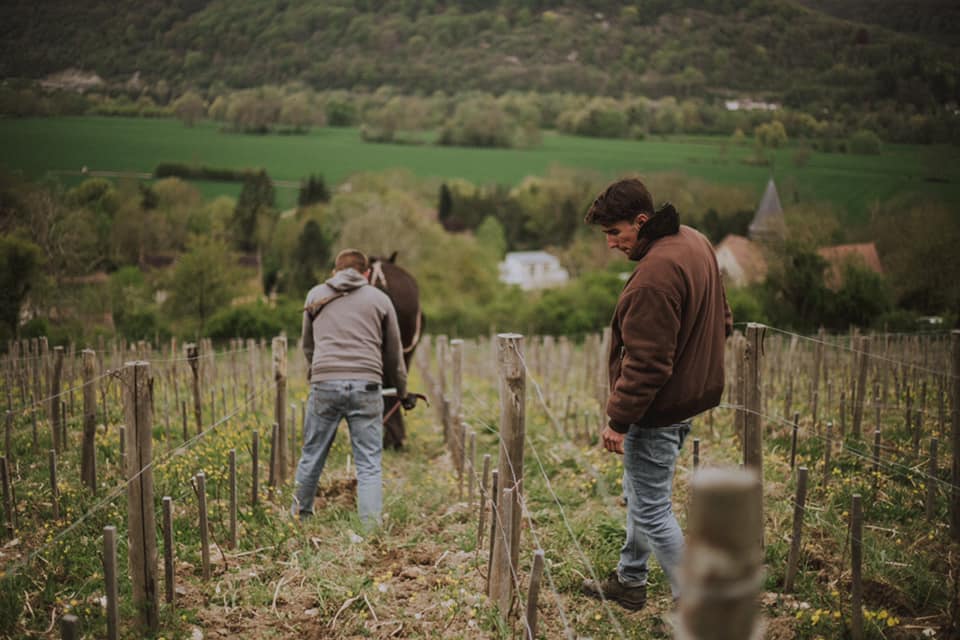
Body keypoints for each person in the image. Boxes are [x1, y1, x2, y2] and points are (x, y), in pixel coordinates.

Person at [580, 178, 732, 610]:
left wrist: (618, 420)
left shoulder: (655, 275)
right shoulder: (695, 242)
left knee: (651, 509)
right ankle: (630, 581)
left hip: (657, 410)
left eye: (615, 232)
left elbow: (648, 364)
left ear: (641, 221)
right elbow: (724, 318)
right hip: (684, 399)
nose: (610, 243)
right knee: (642, 494)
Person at [291, 248, 412, 529]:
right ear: (366, 273)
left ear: (335, 272)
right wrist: (402, 391)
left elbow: (308, 346)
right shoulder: (380, 299)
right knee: (369, 462)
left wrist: (319, 373)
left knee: (312, 455)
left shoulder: (315, 295)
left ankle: (298, 518)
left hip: (324, 384)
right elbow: (394, 354)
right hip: (367, 385)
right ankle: (370, 528)